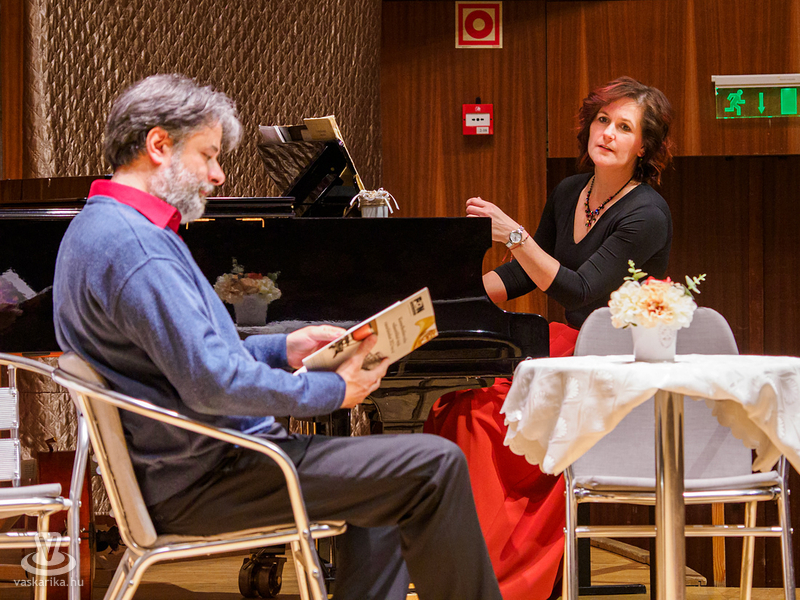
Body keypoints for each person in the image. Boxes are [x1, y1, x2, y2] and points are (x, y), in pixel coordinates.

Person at [53, 74, 503, 600]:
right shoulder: (138, 248)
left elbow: (188, 360)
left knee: (390, 482)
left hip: (189, 469)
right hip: (212, 478)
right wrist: (332, 390)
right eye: (208, 155)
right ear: (158, 145)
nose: (218, 175)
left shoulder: (99, 228)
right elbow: (212, 383)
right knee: (435, 463)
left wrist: (282, 347)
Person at [425, 76, 674, 600]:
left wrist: (513, 235)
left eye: (624, 127)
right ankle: (458, 570)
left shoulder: (647, 213)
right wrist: (445, 302)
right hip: (570, 351)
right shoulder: (569, 192)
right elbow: (524, 273)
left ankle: (496, 577)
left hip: (617, 360)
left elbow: (579, 287)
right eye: (602, 120)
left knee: (484, 415)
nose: (607, 133)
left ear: (643, 147)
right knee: (459, 402)